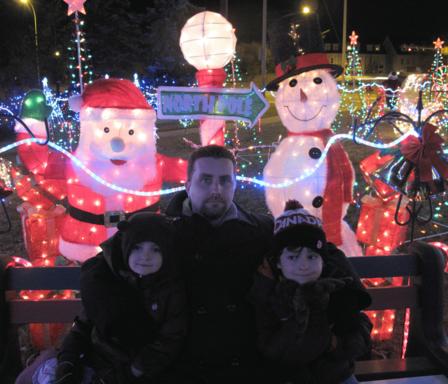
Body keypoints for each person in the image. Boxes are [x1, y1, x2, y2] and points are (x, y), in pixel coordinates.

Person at [15, 212, 187, 384]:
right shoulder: (108, 280)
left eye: (155, 249)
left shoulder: (170, 291)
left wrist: (124, 375)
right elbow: (84, 324)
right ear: (125, 246)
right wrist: (68, 362)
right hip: (96, 361)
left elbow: (168, 342)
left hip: (136, 372)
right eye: (137, 247)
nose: (146, 256)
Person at [165, 145, 274, 384]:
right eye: (205, 180)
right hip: (183, 369)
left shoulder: (263, 230)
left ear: (235, 184)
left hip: (249, 366)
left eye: (225, 181)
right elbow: (104, 273)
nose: (216, 190)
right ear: (187, 185)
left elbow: (319, 257)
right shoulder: (162, 235)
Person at [250, 200, 372, 384]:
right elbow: (269, 345)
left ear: (323, 260)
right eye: (292, 257)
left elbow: (360, 331)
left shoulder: (337, 287)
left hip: (335, 376)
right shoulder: (270, 292)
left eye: (312, 256)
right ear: (278, 262)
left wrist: (336, 344)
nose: (303, 265)